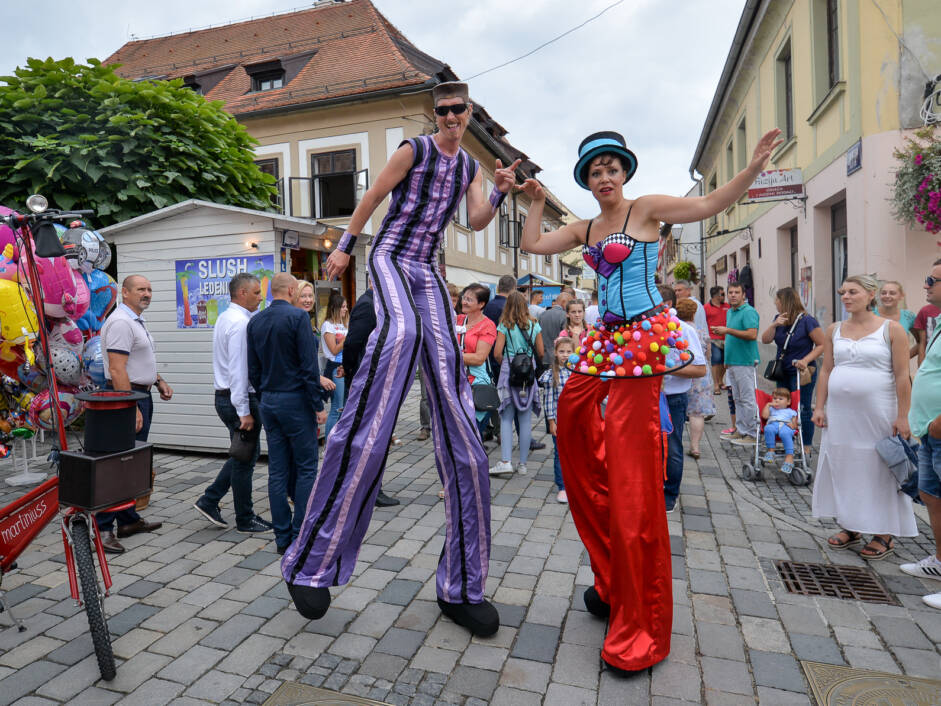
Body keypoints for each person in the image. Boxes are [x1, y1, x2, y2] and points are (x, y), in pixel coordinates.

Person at [518, 126, 783, 673]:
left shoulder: (647, 209)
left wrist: (753, 168)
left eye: (612, 168)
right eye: (596, 172)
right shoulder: (587, 226)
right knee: (569, 416)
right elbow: (531, 246)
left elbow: (710, 202)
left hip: (641, 336)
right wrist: (535, 205)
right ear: (588, 181)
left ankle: (639, 622)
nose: (605, 177)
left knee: (633, 465)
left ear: (624, 172)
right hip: (605, 339)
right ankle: (612, 574)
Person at [283, 81, 518, 637]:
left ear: (469, 115)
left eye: (459, 110)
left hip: (430, 270)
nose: (451, 118)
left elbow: (480, 220)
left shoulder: (469, 170)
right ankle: (313, 562)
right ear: (434, 114)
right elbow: (371, 199)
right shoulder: (413, 150)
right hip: (391, 257)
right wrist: (343, 246)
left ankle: (463, 586)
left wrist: (503, 190)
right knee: (400, 337)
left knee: (455, 399)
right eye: (442, 111)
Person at [812, 274, 915, 560]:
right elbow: (826, 370)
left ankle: (884, 533)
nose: (845, 297)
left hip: (878, 413)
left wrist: (903, 415)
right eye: (843, 292)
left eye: (852, 292)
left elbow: (902, 375)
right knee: (844, 465)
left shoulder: (891, 330)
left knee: (877, 467)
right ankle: (850, 524)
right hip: (842, 415)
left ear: (871, 295)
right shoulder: (834, 329)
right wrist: (819, 407)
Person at [247, 273, 327, 555]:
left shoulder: (255, 320)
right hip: (295, 400)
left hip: (268, 399)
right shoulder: (298, 319)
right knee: (306, 467)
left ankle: (282, 537)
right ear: (292, 290)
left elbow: (253, 368)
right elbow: (309, 367)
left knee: (277, 469)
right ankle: (300, 533)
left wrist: (266, 392)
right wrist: (318, 405)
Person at [194, 273, 271, 533]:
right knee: (245, 460)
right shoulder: (239, 323)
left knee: (242, 455)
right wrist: (244, 411)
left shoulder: (229, 317)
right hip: (237, 397)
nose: (261, 297)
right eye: (256, 293)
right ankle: (244, 517)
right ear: (242, 294)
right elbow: (239, 370)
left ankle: (210, 499)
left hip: (228, 396)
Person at [96, 275, 168, 553]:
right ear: (123, 293)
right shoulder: (121, 322)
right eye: (140, 289)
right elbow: (116, 369)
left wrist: (158, 380)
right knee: (116, 464)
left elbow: (136, 360)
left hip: (140, 393)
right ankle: (103, 529)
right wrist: (131, 405)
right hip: (124, 397)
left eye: (149, 289)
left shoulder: (135, 320)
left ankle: (128, 520)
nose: (147, 293)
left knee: (131, 461)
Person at [902, 259, 941, 609]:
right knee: (931, 495)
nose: (926, 284)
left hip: (938, 427)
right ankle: (940, 563)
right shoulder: (938, 320)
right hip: (929, 431)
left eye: (933, 279)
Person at [342, 285, 399, 508]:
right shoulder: (368, 306)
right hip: (367, 380)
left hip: (375, 379)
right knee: (369, 436)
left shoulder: (378, 304)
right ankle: (370, 489)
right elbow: (353, 343)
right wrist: (349, 371)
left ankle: (368, 485)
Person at [759, 287, 824, 449]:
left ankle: (806, 446)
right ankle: (787, 440)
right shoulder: (779, 319)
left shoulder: (808, 321)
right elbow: (765, 340)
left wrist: (806, 359)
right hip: (782, 372)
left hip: (801, 372)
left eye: (777, 301)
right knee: (782, 406)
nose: (775, 304)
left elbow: (822, 344)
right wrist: (774, 325)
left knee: (802, 408)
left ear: (785, 302)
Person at [660, 290, 707, 512]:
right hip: (645, 397)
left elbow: (700, 369)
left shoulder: (684, 330)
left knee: (673, 446)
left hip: (673, 398)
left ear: (667, 304)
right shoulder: (642, 328)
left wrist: (667, 369)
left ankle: (670, 493)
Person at [491, 291, 544, 476]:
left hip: (508, 372)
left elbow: (497, 352)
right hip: (528, 373)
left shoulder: (504, 325)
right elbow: (541, 352)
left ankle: (506, 460)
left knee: (506, 418)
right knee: (525, 419)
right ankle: (522, 464)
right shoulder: (534, 325)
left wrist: (506, 362)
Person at [713, 281, 759, 445]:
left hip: (744, 360)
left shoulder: (748, 311)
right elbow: (730, 339)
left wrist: (728, 330)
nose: (733, 295)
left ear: (743, 295)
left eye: (736, 292)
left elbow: (752, 334)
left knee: (747, 398)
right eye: (730, 292)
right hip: (733, 361)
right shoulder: (731, 312)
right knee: (737, 399)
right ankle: (741, 430)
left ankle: (752, 433)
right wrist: (726, 360)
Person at [457, 284, 497, 437]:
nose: (464, 302)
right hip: (455, 382)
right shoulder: (458, 319)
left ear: (481, 304)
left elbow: (479, 358)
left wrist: (449, 355)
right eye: (464, 298)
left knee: (472, 435)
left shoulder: (487, 326)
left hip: (476, 384)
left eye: (469, 299)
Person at [677, 297, 715, 459]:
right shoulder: (700, 332)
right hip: (700, 375)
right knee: (697, 413)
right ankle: (695, 446)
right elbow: (708, 355)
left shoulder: (676, 331)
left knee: (677, 411)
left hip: (680, 373)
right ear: (693, 314)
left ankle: (676, 444)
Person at [540, 335, 575, 503]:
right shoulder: (551, 374)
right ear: (555, 352)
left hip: (575, 420)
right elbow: (548, 400)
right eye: (561, 351)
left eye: (568, 352)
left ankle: (574, 483)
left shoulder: (577, 371)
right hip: (559, 420)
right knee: (560, 454)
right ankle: (562, 486)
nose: (565, 355)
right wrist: (551, 421)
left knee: (575, 453)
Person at [320, 292, 348, 439]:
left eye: (346, 307)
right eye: (343, 307)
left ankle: (340, 440)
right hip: (336, 367)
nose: (345, 309)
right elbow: (334, 350)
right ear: (335, 308)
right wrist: (347, 339)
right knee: (337, 407)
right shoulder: (328, 325)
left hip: (347, 366)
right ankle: (329, 442)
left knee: (346, 406)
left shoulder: (344, 324)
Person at [761, 388, 799, 473]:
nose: (777, 400)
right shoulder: (771, 409)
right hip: (773, 424)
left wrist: (793, 425)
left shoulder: (790, 411)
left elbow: (795, 424)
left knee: (785, 433)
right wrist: (768, 405)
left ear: (788, 402)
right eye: (775, 398)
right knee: (768, 428)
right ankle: (771, 451)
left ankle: (789, 457)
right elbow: (764, 416)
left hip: (786, 425)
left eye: (780, 399)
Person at [703, 286, 729, 395]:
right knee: (716, 359)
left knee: (724, 361)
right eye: (722, 294)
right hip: (713, 339)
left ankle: (720, 380)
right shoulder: (706, 308)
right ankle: (715, 385)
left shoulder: (727, 306)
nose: (725, 296)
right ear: (715, 296)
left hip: (726, 338)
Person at [538, 290, 574, 368]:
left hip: (543, 357)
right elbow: (566, 339)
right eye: (569, 303)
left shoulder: (542, 315)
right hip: (558, 359)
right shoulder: (565, 316)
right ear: (564, 302)